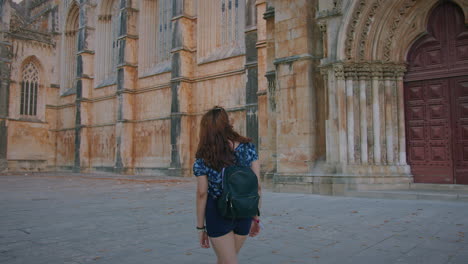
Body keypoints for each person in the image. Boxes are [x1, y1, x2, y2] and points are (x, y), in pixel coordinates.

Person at [194, 106, 261, 264]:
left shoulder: (204, 155)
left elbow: (202, 193)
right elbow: (257, 185)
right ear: (227, 123)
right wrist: (255, 218)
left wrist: (200, 227)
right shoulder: (248, 147)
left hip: (218, 212)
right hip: (244, 209)